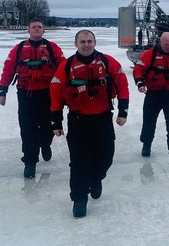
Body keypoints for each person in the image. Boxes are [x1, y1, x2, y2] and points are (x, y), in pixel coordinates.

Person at [50, 29, 129, 218]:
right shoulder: (66, 66)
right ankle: (79, 199)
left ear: (95, 43)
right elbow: (55, 92)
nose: (86, 45)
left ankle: (96, 178)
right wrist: (56, 121)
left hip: (103, 119)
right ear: (76, 44)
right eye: (83, 41)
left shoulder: (108, 62)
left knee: (106, 158)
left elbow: (122, 84)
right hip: (78, 120)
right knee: (79, 162)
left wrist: (123, 110)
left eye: (90, 41)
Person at [0, 17, 65, 178]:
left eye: (39, 27)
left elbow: (64, 68)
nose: (36, 29)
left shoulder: (52, 47)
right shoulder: (19, 49)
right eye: (33, 27)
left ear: (43, 30)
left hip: (48, 94)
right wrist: (3, 90)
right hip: (26, 95)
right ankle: (30, 161)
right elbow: (8, 69)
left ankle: (45, 144)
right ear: (28, 30)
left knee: (48, 126)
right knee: (28, 130)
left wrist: (66, 91)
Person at [133, 32, 169, 169]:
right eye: (165, 44)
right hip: (153, 94)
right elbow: (138, 70)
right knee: (149, 121)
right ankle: (146, 144)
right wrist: (140, 83)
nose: (168, 47)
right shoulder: (149, 54)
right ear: (160, 42)